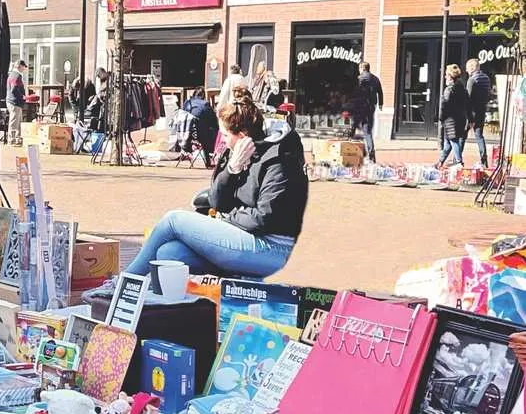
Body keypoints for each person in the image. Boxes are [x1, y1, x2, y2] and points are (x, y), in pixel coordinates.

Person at [84, 87, 308, 298]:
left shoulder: (280, 160)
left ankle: (123, 285)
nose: (224, 142)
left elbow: (265, 217)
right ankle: (152, 302)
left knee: (173, 220)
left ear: (242, 135)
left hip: (269, 248)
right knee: (168, 254)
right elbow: (217, 201)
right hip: (242, 236)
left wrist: (229, 219)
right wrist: (232, 169)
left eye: (226, 136)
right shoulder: (238, 154)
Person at [437, 63, 469, 168]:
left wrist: (441, 117)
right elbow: (467, 103)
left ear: (450, 77)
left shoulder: (449, 90)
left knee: (453, 140)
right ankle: (440, 162)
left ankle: (459, 162)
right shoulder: (463, 89)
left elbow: (444, 105)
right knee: (448, 143)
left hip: (450, 119)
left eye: (446, 75)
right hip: (461, 118)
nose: (445, 77)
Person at [352, 61, 383, 164]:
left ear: (362, 68)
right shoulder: (375, 79)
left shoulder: (359, 79)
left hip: (361, 107)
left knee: (358, 129)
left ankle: (356, 154)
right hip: (371, 107)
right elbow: (380, 92)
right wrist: (380, 104)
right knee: (368, 130)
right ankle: (369, 155)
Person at [467, 58, 492, 167]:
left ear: (472, 67)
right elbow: (488, 94)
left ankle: (457, 159)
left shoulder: (472, 79)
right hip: (482, 110)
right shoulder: (486, 78)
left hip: (472, 111)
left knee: (462, 136)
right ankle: (484, 160)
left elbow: (467, 97)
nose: (466, 70)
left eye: (467, 68)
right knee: (479, 136)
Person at [6, 60, 28, 146]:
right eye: (23, 66)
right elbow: (14, 88)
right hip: (15, 101)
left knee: (18, 120)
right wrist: (22, 96)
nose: (24, 68)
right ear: (19, 66)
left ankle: (17, 139)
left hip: (12, 101)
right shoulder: (16, 75)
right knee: (14, 121)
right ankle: (12, 139)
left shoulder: (12, 75)